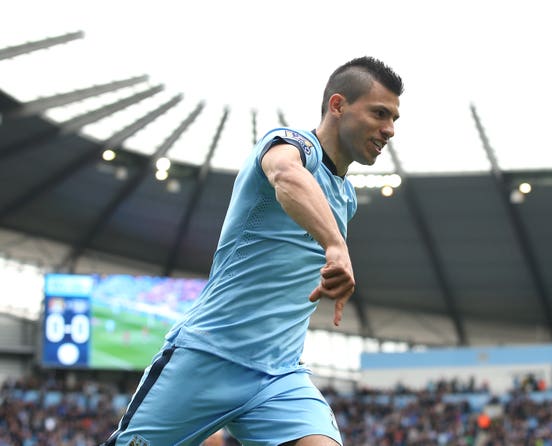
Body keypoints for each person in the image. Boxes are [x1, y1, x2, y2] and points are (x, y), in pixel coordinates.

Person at [102, 56, 403, 446]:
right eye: (380, 113)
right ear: (338, 105)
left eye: (394, 119)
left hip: (279, 376)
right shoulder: (290, 146)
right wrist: (335, 245)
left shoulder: (346, 196)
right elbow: (286, 175)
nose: (389, 130)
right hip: (208, 358)